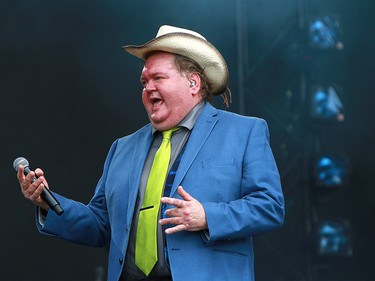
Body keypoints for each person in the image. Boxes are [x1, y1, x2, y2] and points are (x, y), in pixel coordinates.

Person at [17, 25, 285, 281]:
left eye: (158, 78)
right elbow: (100, 225)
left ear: (193, 83)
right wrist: (47, 202)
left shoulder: (243, 131)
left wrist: (207, 216)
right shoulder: (122, 148)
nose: (148, 88)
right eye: (144, 81)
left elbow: (269, 207)